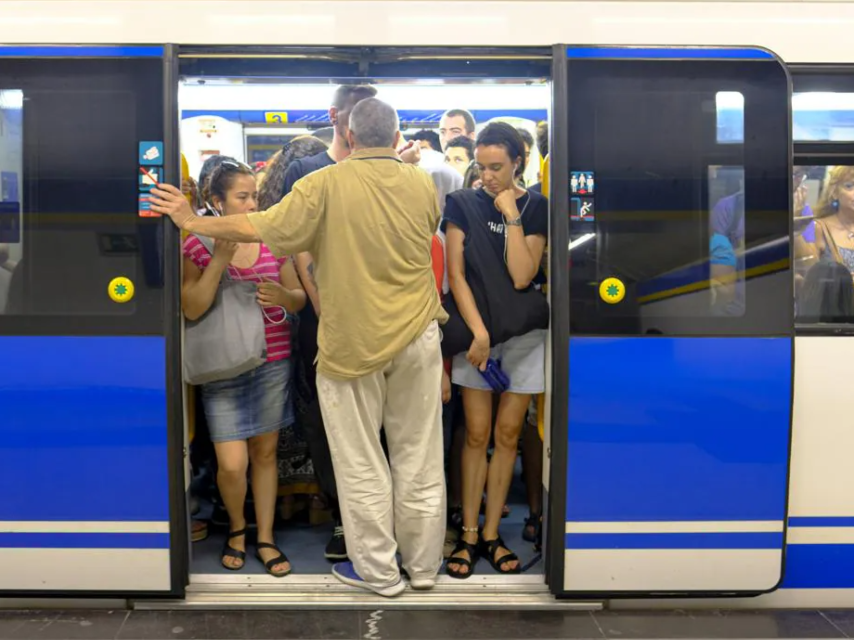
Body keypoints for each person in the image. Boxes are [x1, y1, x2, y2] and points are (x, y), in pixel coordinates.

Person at [151, 97, 447, 598]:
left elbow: (259, 227)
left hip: (353, 341)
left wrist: (190, 220)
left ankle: (378, 572)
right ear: (396, 139)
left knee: (360, 461)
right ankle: (422, 566)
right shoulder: (423, 183)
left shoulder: (324, 184)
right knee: (418, 455)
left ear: (349, 137)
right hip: (419, 334)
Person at [278, 85, 421, 562]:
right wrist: (326, 308)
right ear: (338, 117)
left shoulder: (402, 173)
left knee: (385, 430)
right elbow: (296, 244)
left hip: (385, 321)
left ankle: (386, 535)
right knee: (333, 431)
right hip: (328, 318)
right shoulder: (308, 171)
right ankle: (347, 522)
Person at [181, 160, 307, 577]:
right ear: (216, 202)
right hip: (222, 367)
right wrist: (219, 260)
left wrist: (284, 298)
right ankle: (237, 528)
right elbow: (192, 307)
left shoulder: (272, 240)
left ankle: (265, 535)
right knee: (232, 463)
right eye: (242, 197)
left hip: (272, 360)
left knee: (265, 454)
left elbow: (299, 298)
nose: (253, 203)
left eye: (255, 195)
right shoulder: (196, 243)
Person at [443, 122, 548, 579]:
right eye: (481, 166)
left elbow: (523, 276)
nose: (487, 176)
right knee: (475, 434)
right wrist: (478, 332)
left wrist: (511, 214)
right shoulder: (461, 203)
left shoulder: (538, 207)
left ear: (518, 163)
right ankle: (467, 532)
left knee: (508, 437)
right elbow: (456, 275)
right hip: (477, 336)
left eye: (497, 167)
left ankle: (491, 533)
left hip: (525, 335)